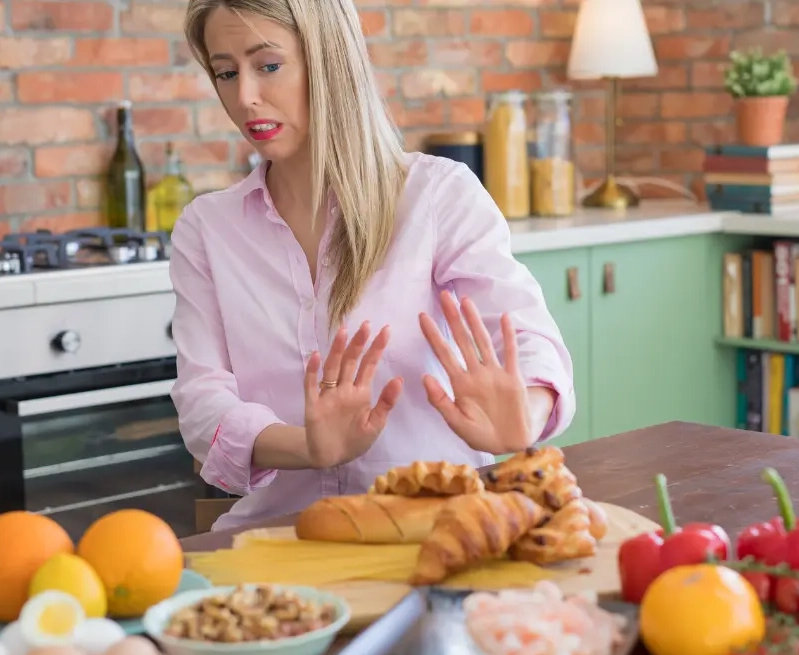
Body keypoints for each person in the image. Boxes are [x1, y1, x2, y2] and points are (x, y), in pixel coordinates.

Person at [172, 0, 576, 531]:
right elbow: (201, 401)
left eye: (268, 65)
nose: (244, 96)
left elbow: (526, 338)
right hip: (281, 542)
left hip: (437, 534)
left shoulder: (437, 196)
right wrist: (309, 448)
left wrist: (524, 410)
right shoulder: (207, 228)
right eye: (226, 73)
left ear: (330, 60)